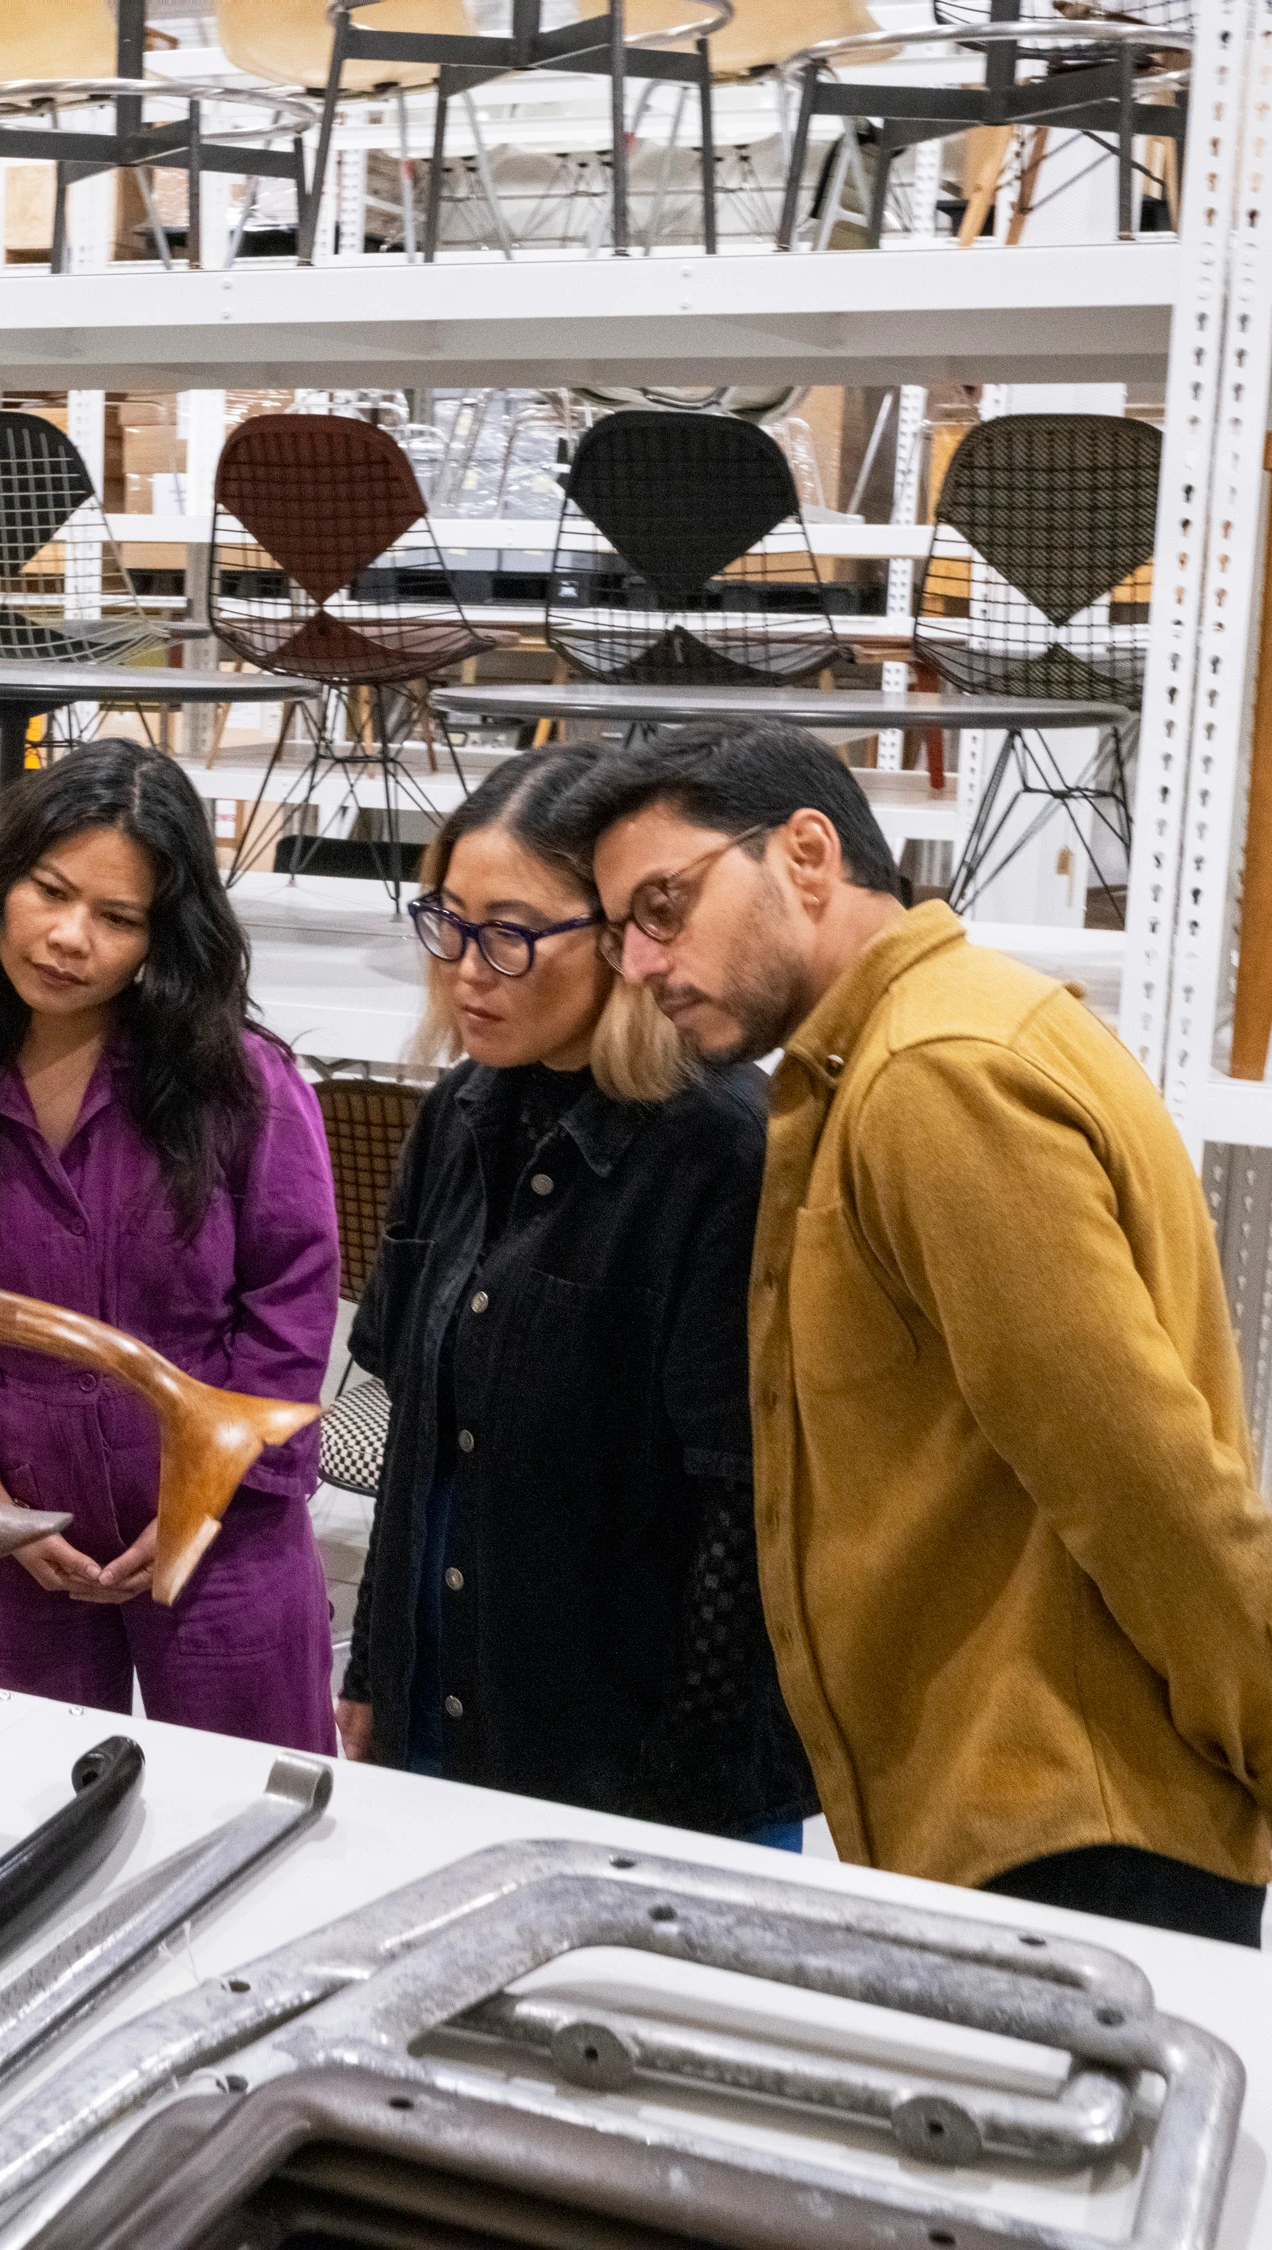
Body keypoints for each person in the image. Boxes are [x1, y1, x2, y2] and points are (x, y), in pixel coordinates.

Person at [565, 717, 1272, 1944]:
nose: (638, 964)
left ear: (806, 856)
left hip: (1073, 1836)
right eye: (623, 927)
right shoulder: (918, 1046)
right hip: (1032, 1813)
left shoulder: (933, 1076)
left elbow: (1144, 1475)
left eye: (666, 906)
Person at [335, 753, 817, 1845]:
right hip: (444, 1713)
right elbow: (418, 1435)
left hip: (629, 1763)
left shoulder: (722, 1153)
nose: (468, 969)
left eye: (509, 933)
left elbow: (743, 1514)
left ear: (622, 940)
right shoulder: (460, 1112)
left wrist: (680, 1795)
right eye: (446, 923)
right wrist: (375, 1664)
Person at [0, 740, 342, 1752]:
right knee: (37, 1806)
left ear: (165, 935)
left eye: (119, 919)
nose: (70, 938)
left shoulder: (239, 1084)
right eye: (50, 891)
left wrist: (206, 1496)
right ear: (3, 883)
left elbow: (290, 1299)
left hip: (221, 1533)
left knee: (252, 1811)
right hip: (21, 1536)